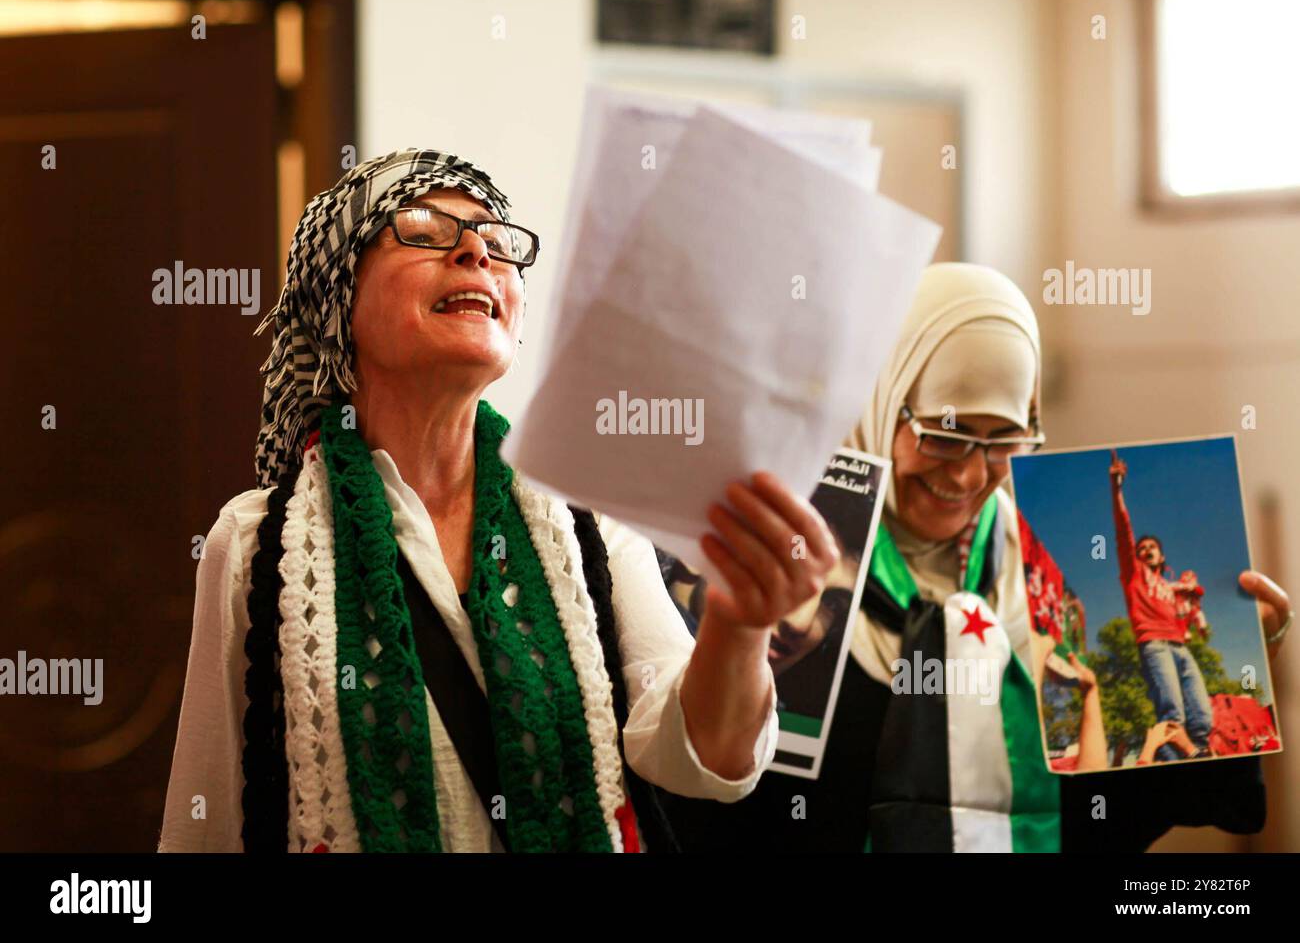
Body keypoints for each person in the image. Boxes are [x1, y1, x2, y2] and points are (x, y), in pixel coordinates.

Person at [158, 148, 839, 853]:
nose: (478, 251)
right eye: (424, 228)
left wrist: (738, 623)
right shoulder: (256, 544)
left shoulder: (588, 524)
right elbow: (201, 827)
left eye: (497, 240)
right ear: (339, 301)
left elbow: (706, 761)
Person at [657, 262, 1292, 852]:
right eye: (943, 435)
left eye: (1004, 441)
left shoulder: (1045, 581)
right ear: (884, 397)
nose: (966, 476)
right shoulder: (783, 557)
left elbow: (1107, 815)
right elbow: (713, 798)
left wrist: (1242, 662)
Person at [1109, 449, 1214, 762]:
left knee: (1202, 720)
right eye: (1142, 548)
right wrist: (1116, 489)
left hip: (1182, 648)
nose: (1146, 550)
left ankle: (1202, 767)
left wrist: (1199, 622)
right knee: (1172, 716)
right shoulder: (1133, 575)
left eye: (1152, 547)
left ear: (1162, 556)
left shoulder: (1171, 589)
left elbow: (1192, 608)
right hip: (1154, 646)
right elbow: (1122, 530)